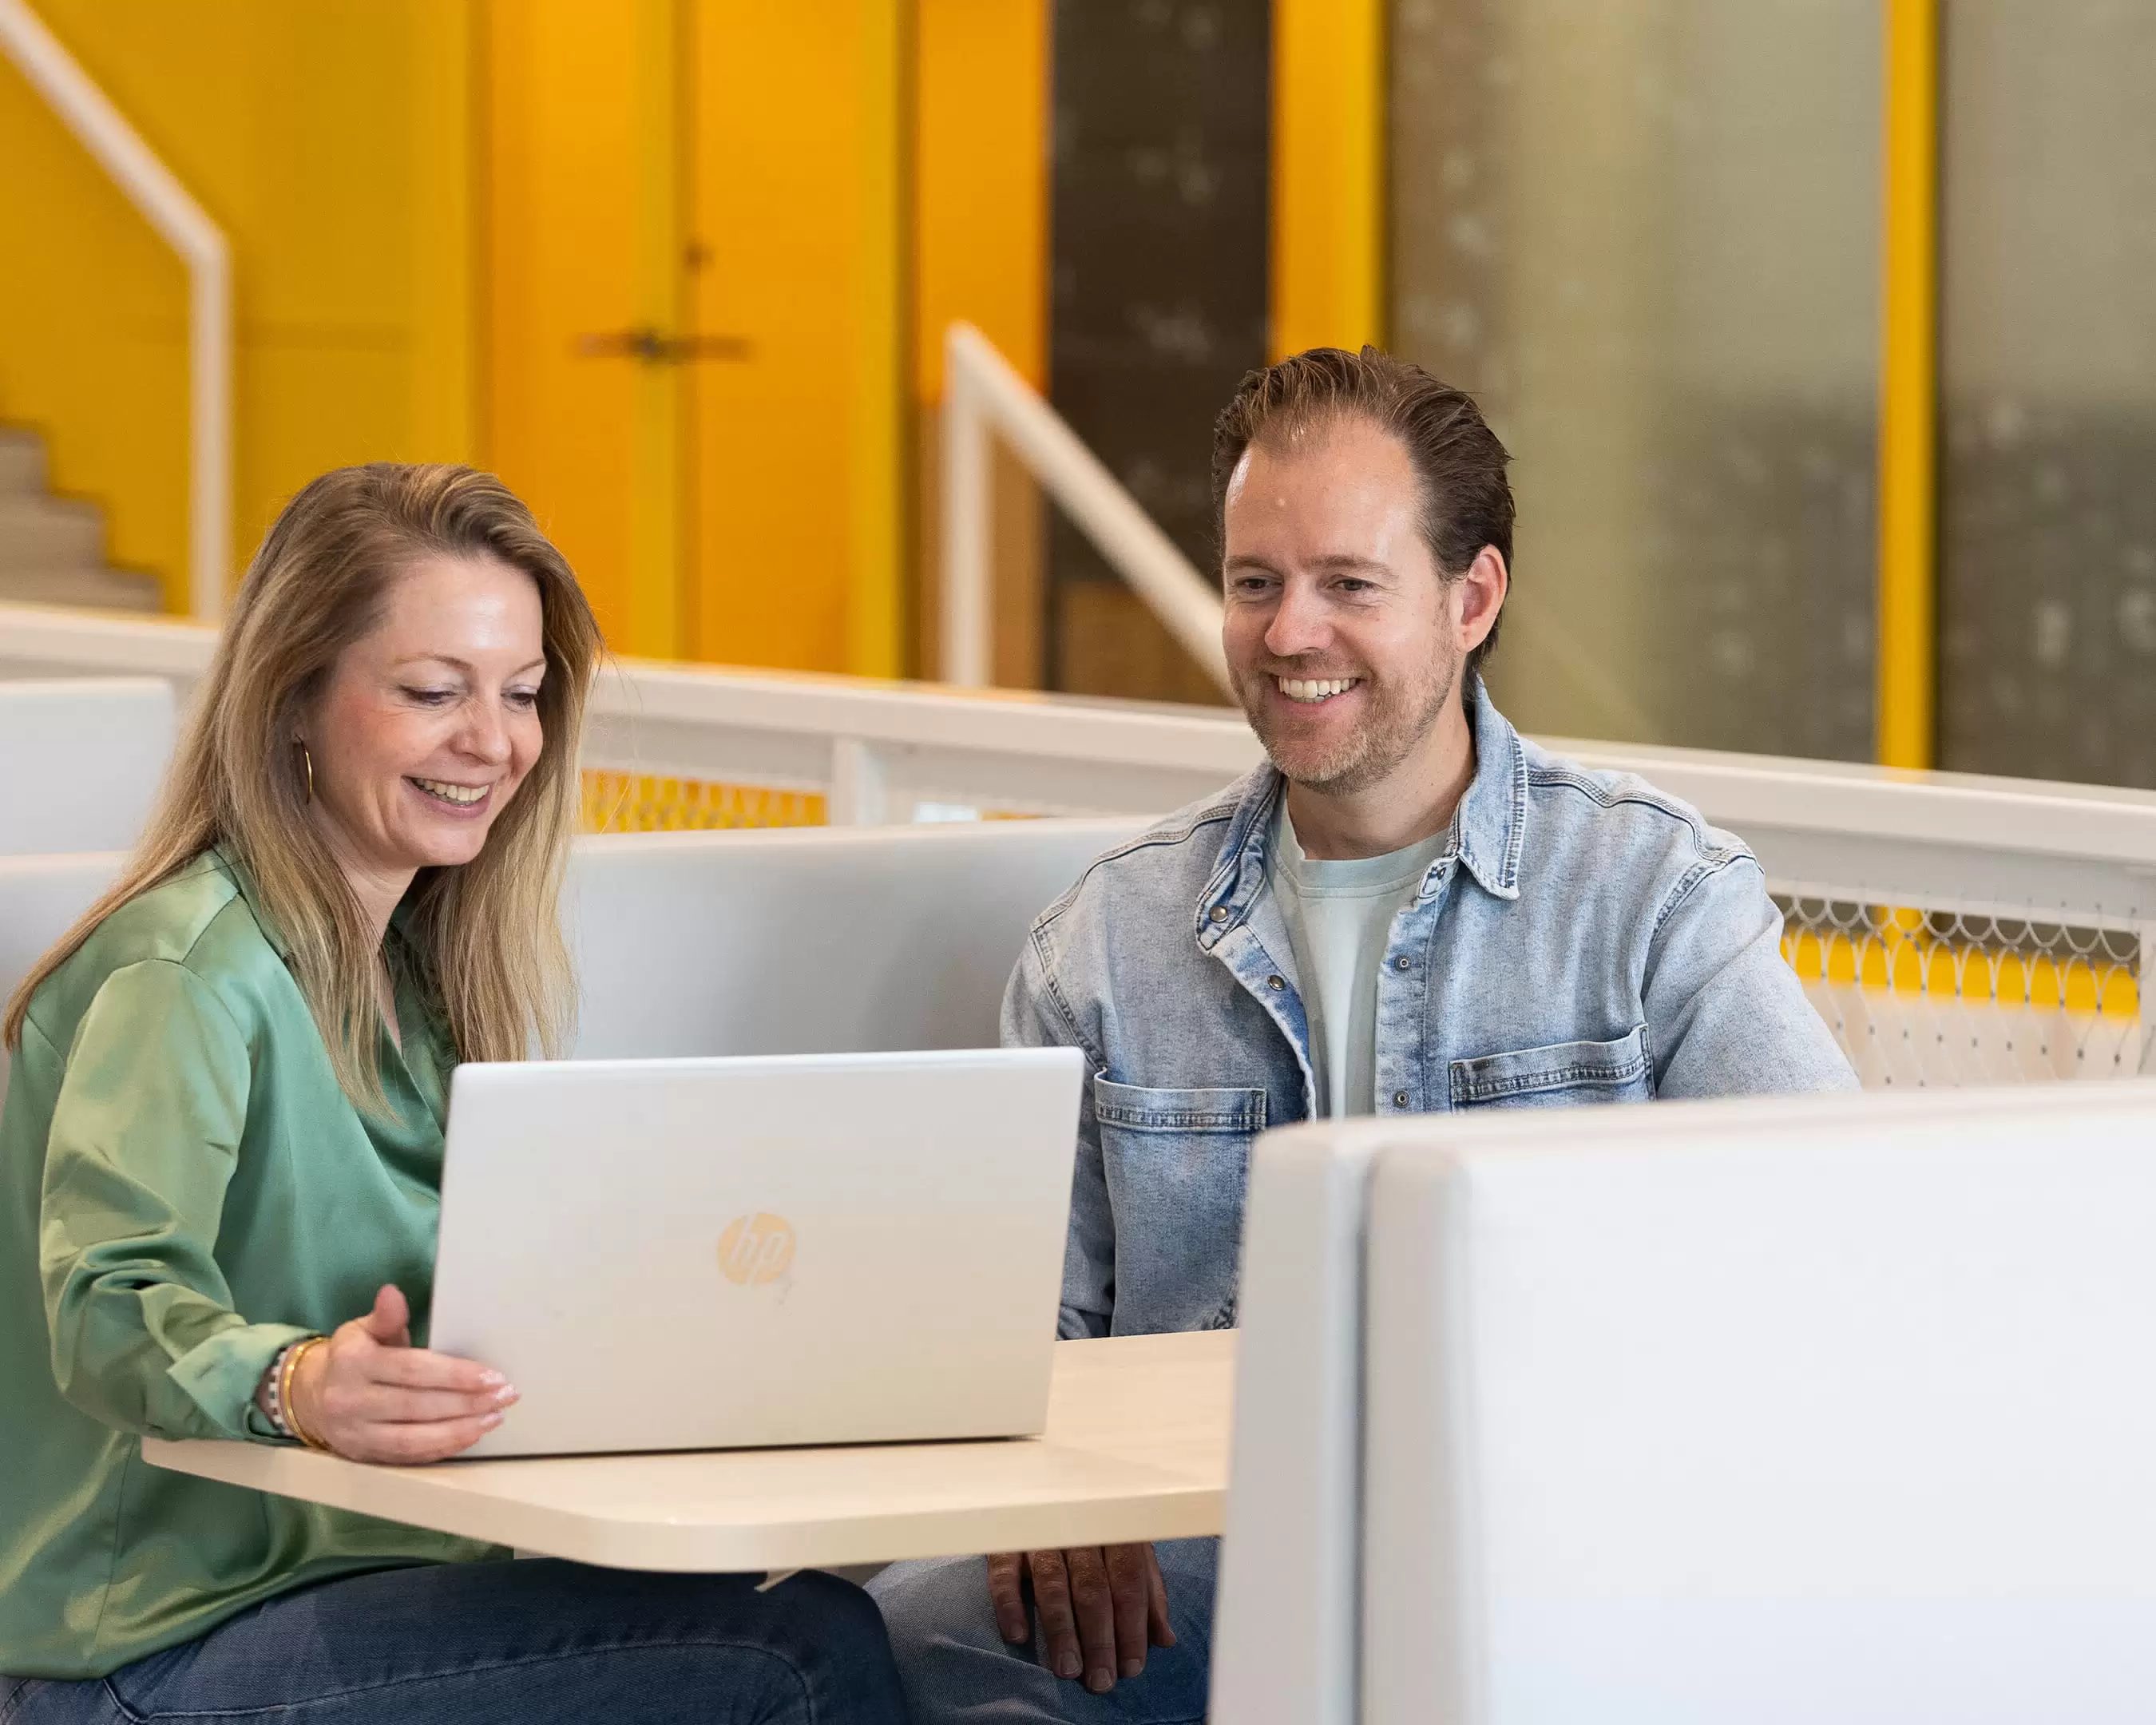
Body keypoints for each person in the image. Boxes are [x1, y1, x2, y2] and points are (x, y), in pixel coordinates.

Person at [869, 347, 1859, 1721]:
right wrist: (1054, 1491)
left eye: (1348, 584)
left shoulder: (1652, 897)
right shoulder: (1105, 939)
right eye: (1255, 583)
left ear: (1472, 599)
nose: (1290, 634)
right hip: (1196, 1554)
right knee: (861, 1645)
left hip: (1553, 1542)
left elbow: (1827, 1251)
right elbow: (1018, 1324)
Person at [0, 464, 906, 1723]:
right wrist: (295, 1382)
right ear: (294, 700)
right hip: (144, 1653)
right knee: (796, 1652)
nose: (493, 741)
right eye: (434, 692)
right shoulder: (187, 975)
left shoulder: (421, 984)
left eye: (521, 694)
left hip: (369, 1587)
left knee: (789, 1617)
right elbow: (105, 1304)